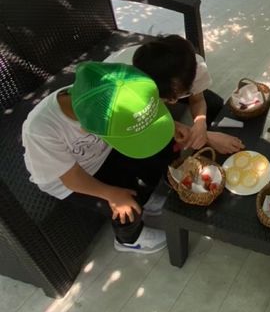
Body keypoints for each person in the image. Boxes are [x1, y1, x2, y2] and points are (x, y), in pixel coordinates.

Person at [22, 61, 177, 254]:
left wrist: (173, 127)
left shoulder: (100, 94)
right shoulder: (40, 130)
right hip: (69, 178)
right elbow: (72, 178)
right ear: (86, 128)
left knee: (149, 165)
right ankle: (129, 238)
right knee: (125, 204)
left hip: (101, 152)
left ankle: (144, 200)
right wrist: (112, 194)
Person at [106, 34, 244, 154]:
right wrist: (206, 137)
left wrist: (200, 124)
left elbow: (197, 99)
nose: (173, 103)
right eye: (168, 98)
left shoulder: (193, 66)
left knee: (214, 104)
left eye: (180, 93)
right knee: (162, 149)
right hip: (123, 105)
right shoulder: (126, 88)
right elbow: (147, 122)